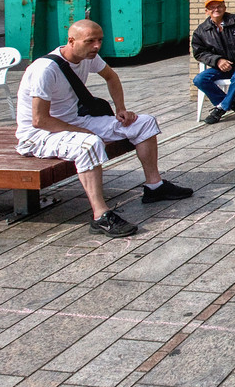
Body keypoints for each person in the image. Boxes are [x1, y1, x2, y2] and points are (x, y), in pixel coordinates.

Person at [15, 19, 194, 237]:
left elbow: (111, 76)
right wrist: (80, 132)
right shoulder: (45, 69)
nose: (97, 46)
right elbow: (39, 120)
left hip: (74, 121)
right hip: (39, 135)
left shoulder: (88, 56)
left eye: (99, 40)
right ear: (71, 41)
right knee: (89, 144)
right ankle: (100, 216)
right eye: (90, 41)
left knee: (143, 122)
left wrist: (121, 109)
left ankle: (154, 187)